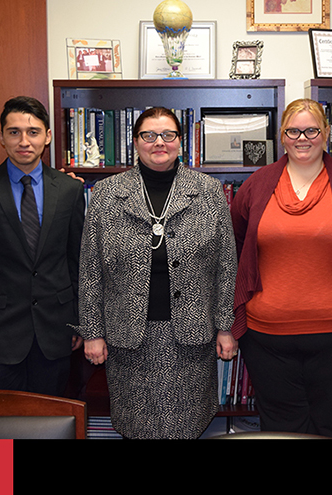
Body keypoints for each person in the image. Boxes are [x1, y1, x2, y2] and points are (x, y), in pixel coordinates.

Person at [231, 98, 332, 439]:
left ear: (326, 133)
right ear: (282, 135)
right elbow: (237, 246)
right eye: (293, 130)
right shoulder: (256, 185)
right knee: (279, 430)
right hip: (266, 340)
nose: (302, 138)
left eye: (311, 130)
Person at [74, 106, 237, 439]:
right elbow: (90, 270)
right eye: (149, 135)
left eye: (168, 134)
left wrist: (225, 327)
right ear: (136, 142)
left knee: (186, 426)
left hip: (191, 337)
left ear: (181, 141)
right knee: (137, 426)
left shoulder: (207, 193)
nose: (158, 142)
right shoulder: (106, 195)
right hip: (128, 339)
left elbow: (226, 266)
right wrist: (92, 332)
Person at [0, 96, 85, 396]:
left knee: (52, 422)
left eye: (33, 132)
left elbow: (77, 263)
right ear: (1, 137)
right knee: (0, 425)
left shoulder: (70, 189)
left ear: (48, 136)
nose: (24, 141)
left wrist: (79, 322)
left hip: (55, 332)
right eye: (14, 132)